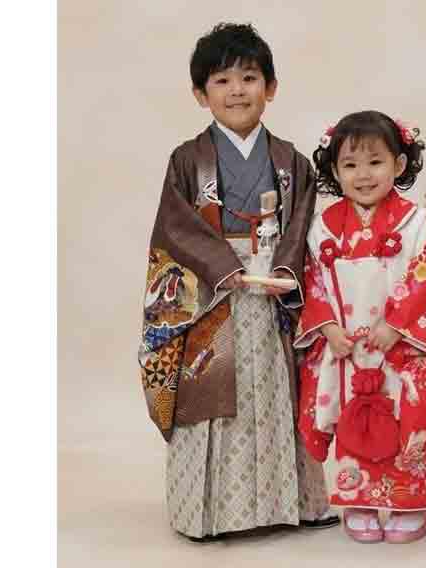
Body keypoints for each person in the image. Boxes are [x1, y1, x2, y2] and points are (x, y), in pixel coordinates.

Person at [137, 22, 336, 541]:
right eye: (222, 81)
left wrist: (283, 270)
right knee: (210, 394)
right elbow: (174, 227)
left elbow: (301, 224)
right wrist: (225, 267)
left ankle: (295, 504)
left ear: (270, 88)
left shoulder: (291, 161)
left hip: (272, 288)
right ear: (201, 94)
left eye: (250, 78)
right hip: (213, 293)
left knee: (276, 392)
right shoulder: (187, 159)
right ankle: (209, 515)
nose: (237, 91)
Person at [295, 111, 426, 544]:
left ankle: (408, 505)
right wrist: (328, 329)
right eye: (350, 165)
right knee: (349, 415)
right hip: (347, 345)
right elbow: (313, 279)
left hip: (398, 346)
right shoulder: (323, 226)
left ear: (398, 165)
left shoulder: (414, 222)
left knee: (403, 417)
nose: (363, 175)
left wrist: (397, 325)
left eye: (375, 162)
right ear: (335, 170)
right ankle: (358, 501)